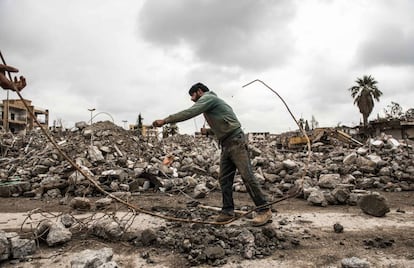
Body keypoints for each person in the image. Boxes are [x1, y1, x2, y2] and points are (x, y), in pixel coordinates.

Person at [152, 82, 272, 226]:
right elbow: (225, 125)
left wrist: (165, 120)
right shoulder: (212, 104)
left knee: (247, 176)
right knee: (224, 179)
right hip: (227, 143)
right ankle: (227, 211)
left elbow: (190, 112)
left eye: (193, 95)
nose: (192, 99)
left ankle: (264, 210)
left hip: (236, 142)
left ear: (200, 91)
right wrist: (209, 131)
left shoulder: (209, 98)